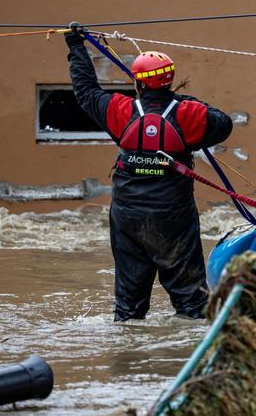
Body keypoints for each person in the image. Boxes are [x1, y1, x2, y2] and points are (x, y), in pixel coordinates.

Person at [64, 23, 232, 321]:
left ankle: (129, 362)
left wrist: (77, 47)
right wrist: (183, 100)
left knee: (128, 311)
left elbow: (86, 91)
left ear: (138, 84)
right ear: (170, 81)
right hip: (173, 219)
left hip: (128, 218)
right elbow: (223, 123)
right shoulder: (188, 113)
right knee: (193, 306)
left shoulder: (120, 110)